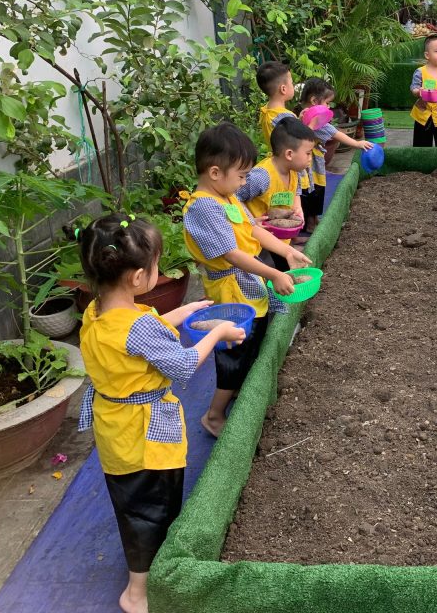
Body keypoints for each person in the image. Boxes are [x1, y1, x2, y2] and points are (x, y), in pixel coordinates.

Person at [76, 214, 247, 613]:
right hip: (145, 439)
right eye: (156, 265)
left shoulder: (96, 312)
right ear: (139, 277)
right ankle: (137, 594)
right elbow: (184, 364)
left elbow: (136, 337)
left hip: (116, 432)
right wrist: (218, 333)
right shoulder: (136, 326)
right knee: (151, 513)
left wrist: (184, 313)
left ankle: (143, 577)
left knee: (133, 506)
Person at [182, 122, 310, 437]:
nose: (244, 183)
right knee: (234, 352)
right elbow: (232, 255)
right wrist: (275, 274)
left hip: (247, 283)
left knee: (251, 341)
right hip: (230, 289)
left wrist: (287, 252)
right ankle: (214, 415)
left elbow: (253, 228)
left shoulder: (226, 197)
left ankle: (237, 389)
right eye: (241, 176)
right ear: (215, 172)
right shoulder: (203, 207)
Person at [239, 117, 317, 270]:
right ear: (289, 154)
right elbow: (234, 196)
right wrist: (250, 221)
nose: (310, 158)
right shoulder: (261, 177)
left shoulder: (294, 170)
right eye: (308, 153)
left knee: (287, 270)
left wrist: (297, 207)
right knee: (269, 274)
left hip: (280, 237)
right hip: (259, 242)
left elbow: (296, 189)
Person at [298, 78, 373, 231]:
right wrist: (357, 144)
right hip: (307, 165)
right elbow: (335, 134)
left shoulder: (300, 116)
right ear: (314, 101)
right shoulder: (311, 119)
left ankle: (312, 220)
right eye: (327, 103)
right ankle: (310, 223)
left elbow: (334, 132)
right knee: (311, 190)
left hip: (306, 163)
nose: (328, 107)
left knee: (310, 190)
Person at [255, 61, 311, 196]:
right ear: (283, 89)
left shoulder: (266, 111)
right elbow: (301, 140)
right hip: (293, 166)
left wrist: (297, 121)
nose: (293, 85)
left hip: (277, 163)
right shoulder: (286, 116)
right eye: (291, 82)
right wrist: (311, 125)